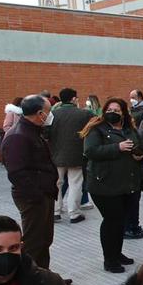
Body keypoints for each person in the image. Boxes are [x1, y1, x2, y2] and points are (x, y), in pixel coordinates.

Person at [82, 98, 143, 273]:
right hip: (104, 185)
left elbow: (141, 147)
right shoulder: (97, 129)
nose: (113, 113)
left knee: (120, 222)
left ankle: (117, 253)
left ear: (124, 112)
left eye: (117, 110)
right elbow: (91, 151)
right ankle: (109, 260)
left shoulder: (129, 129)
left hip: (127, 183)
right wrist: (117, 147)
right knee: (111, 221)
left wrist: (140, 155)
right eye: (110, 109)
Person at [1, 95, 60, 273]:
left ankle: (43, 275)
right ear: (40, 113)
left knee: (44, 239)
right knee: (34, 241)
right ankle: (29, 279)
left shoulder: (33, 131)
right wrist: (37, 195)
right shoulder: (18, 136)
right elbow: (17, 172)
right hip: (33, 197)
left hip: (43, 194)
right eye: (49, 111)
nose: (50, 115)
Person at [47, 88, 93, 224]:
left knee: (57, 184)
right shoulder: (84, 114)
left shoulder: (52, 114)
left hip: (56, 155)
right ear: (73, 99)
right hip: (76, 155)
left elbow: (46, 133)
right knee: (75, 184)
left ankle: (55, 212)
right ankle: (74, 213)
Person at [123, 91, 143, 241]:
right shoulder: (122, 131)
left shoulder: (134, 126)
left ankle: (133, 226)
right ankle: (129, 227)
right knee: (129, 201)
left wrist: (142, 155)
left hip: (135, 171)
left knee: (134, 200)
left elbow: (141, 147)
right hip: (125, 173)